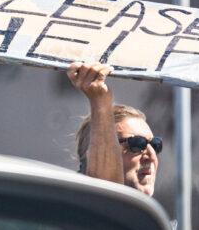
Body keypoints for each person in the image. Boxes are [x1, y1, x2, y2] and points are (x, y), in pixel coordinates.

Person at [67, 62, 162, 196]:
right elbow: (105, 201)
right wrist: (100, 102)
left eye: (156, 145)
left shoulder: (154, 216)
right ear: (92, 156)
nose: (151, 156)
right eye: (137, 144)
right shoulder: (72, 210)